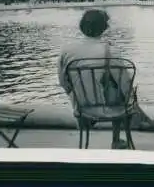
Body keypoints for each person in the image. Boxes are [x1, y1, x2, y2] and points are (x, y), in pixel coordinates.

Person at [58, 9, 137, 149]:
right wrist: (132, 97)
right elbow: (125, 83)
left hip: (81, 107)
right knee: (122, 92)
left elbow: (64, 83)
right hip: (109, 107)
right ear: (104, 28)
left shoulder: (67, 51)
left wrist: (79, 96)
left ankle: (86, 137)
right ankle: (116, 140)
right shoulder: (111, 51)